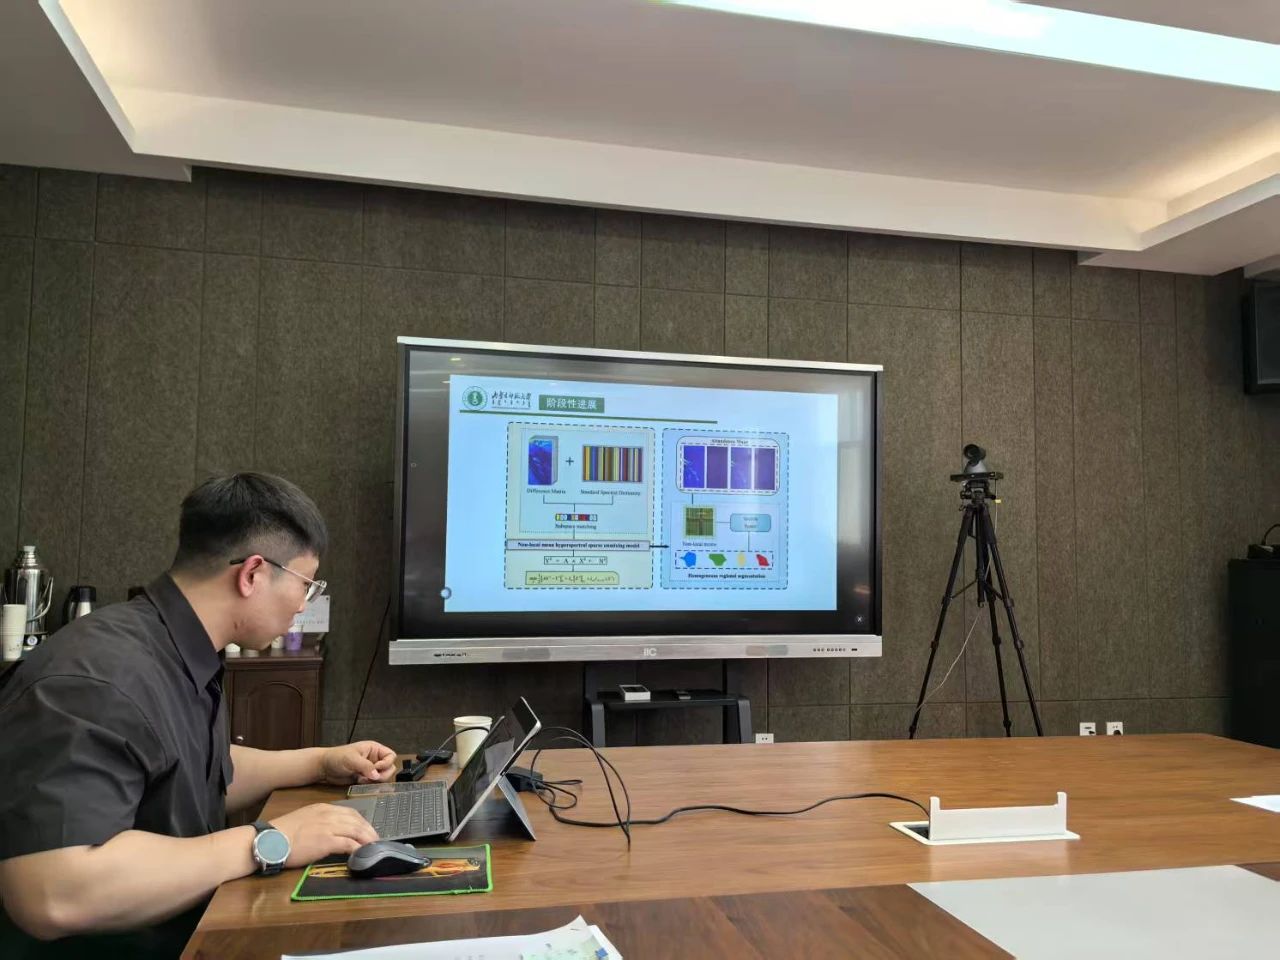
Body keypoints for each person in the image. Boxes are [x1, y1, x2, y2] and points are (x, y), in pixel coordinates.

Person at [0, 473, 394, 958]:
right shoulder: (97, 680)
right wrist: (271, 841)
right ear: (253, 574)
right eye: (306, 585)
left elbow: (192, 769)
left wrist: (319, 762)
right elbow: (53, 894)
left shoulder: (171, 648)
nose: (302, 604)